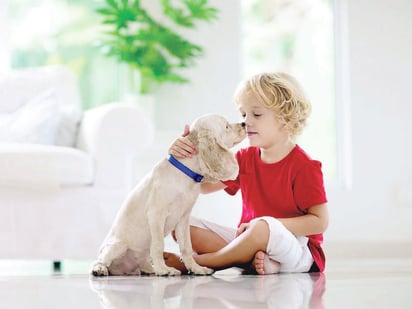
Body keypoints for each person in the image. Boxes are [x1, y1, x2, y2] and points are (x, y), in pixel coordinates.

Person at [166, 72, 329, 274]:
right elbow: (204, 187)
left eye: (256, 114)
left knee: (262, 227)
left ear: (285, 117)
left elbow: (319, 222)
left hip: (297, 249)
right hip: (251, 238)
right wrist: (187, 156)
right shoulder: (245, 158)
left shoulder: (305, 166)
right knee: (184, 225)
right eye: (243, 114)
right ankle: (252, 262)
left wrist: (264, 226)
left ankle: (199, 262)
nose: (246, 122)